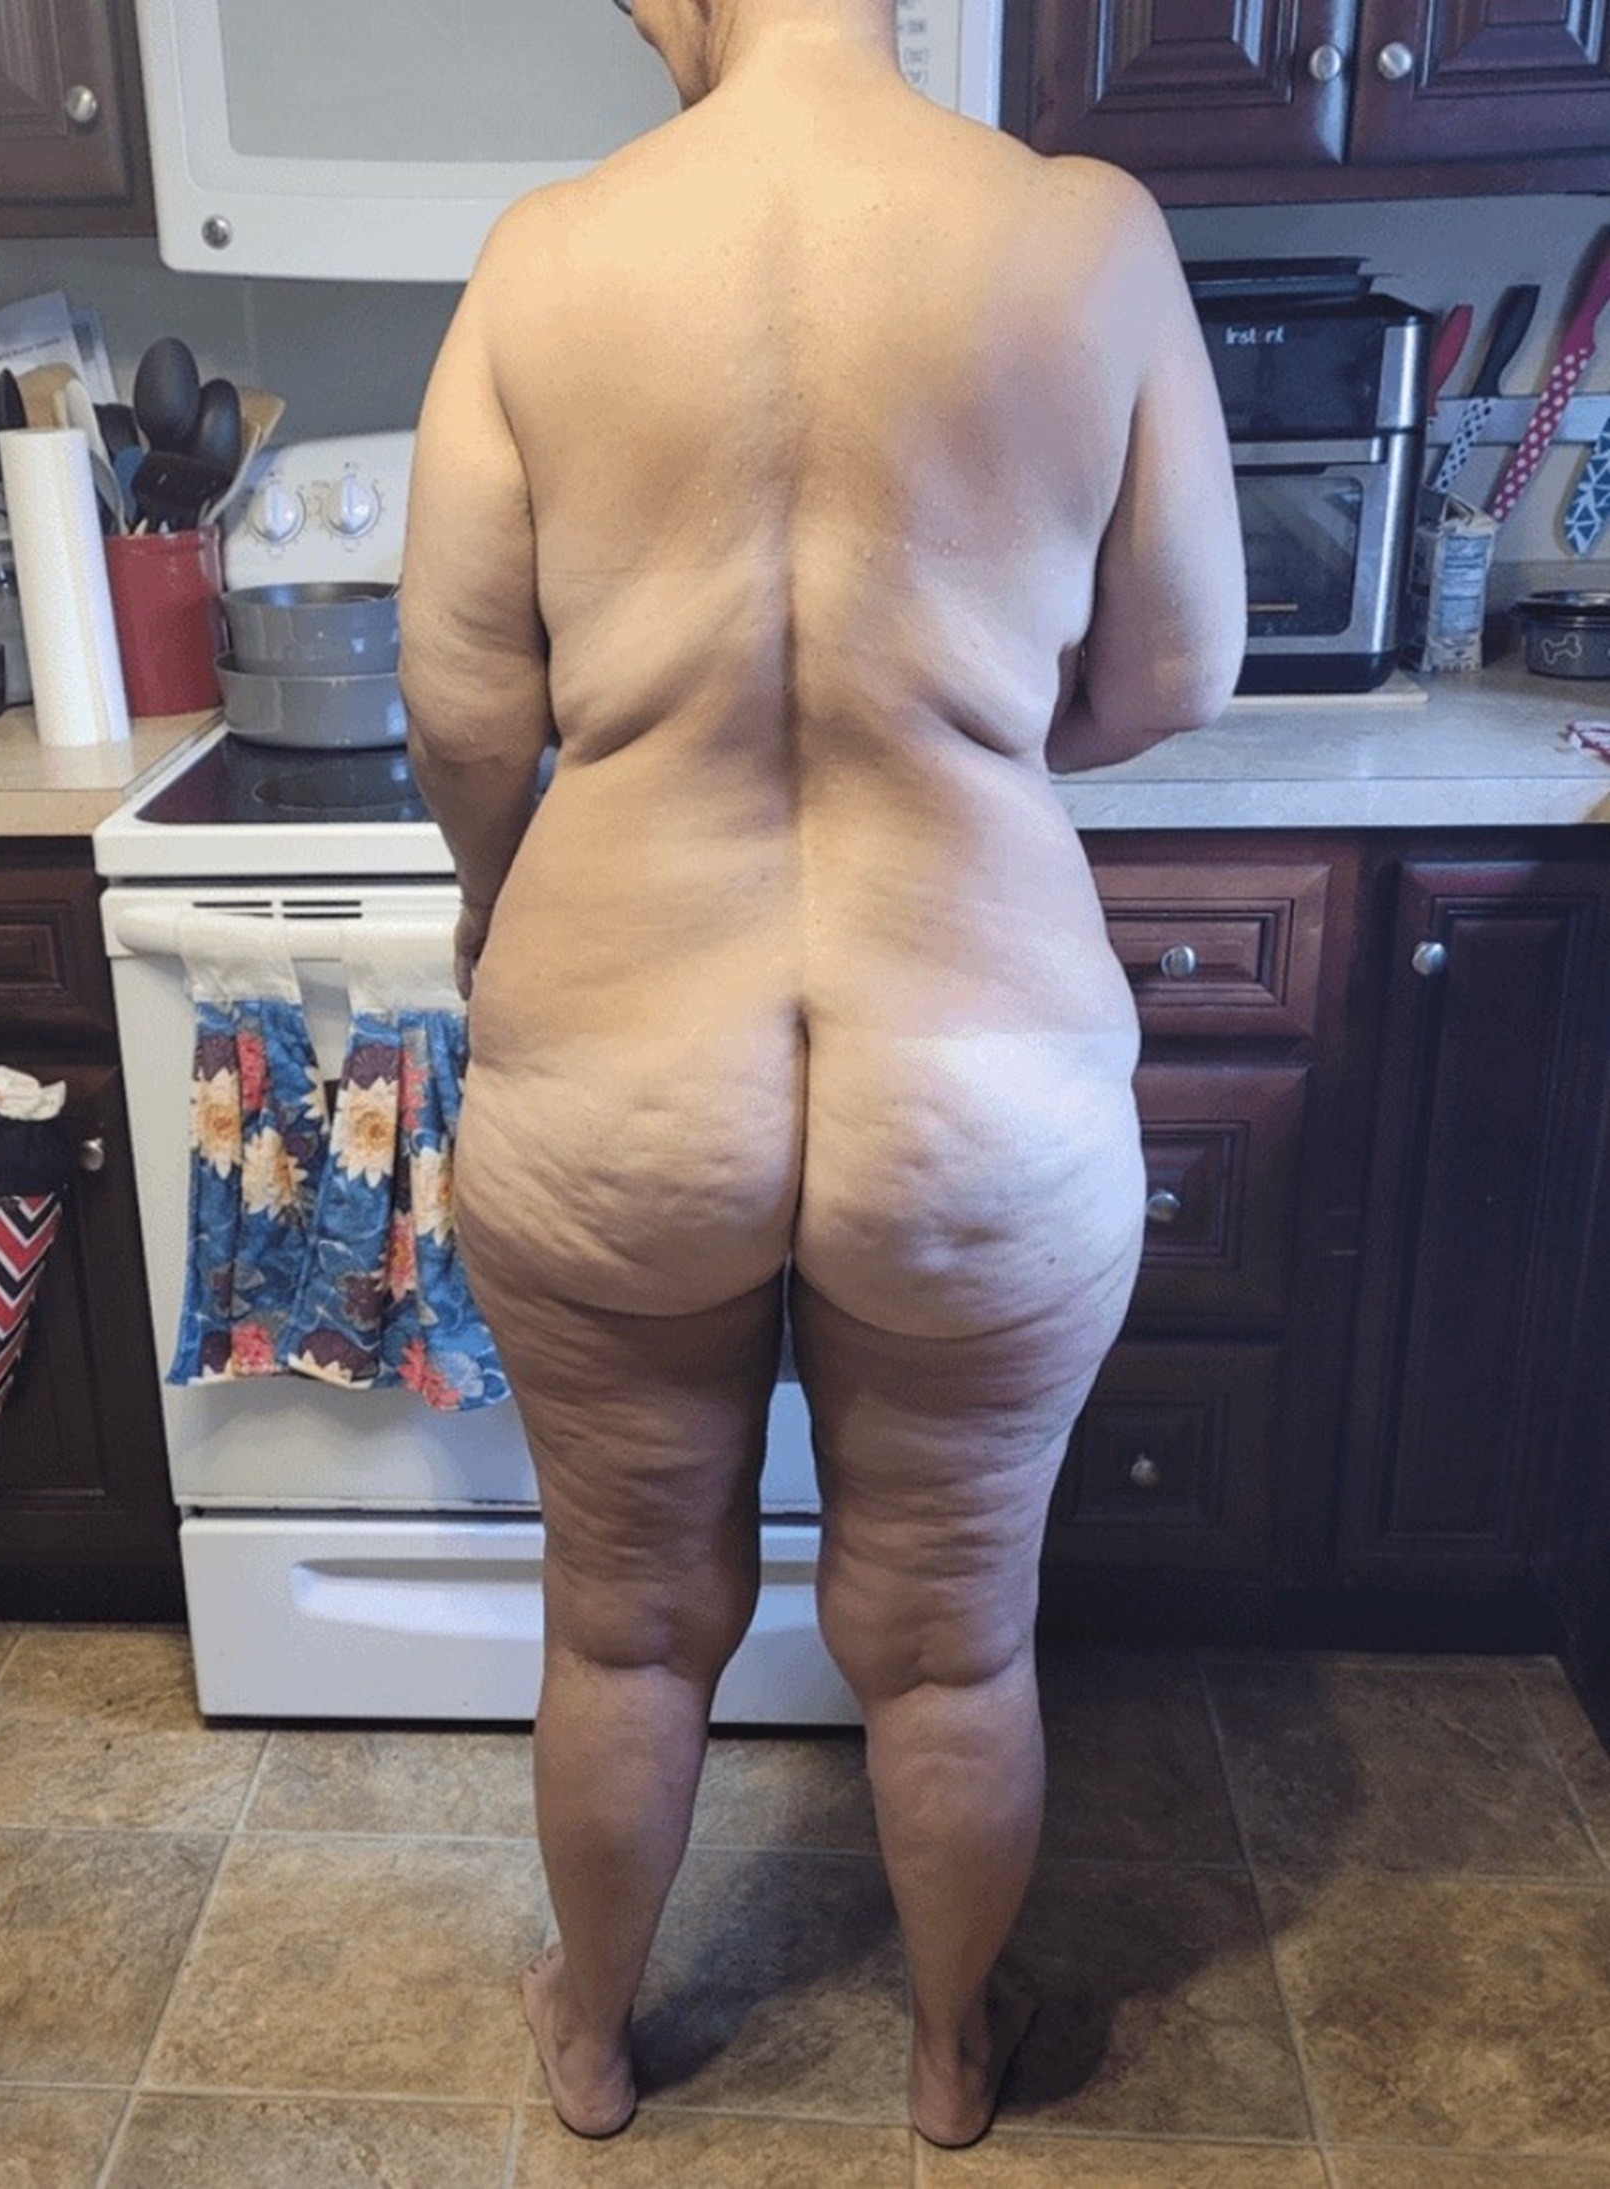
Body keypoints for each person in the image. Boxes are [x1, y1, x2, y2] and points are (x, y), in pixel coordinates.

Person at [398, 0, 1243, 2149]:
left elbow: (466, 712)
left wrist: (503, 907)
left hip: (619, 1076)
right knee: (954, 1641)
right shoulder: (1085, 234)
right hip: (977, 1084)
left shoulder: (546, 257)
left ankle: (595, 2042)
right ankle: (952, 2056)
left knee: (623, 1625)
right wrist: (961, 740)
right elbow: (1180, 662)